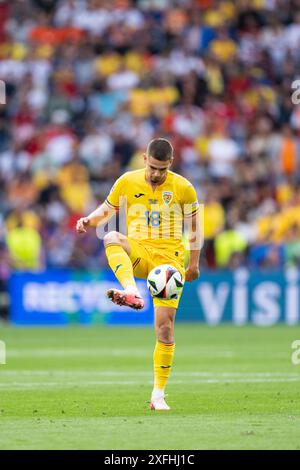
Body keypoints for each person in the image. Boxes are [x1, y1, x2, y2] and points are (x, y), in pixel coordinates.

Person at [76, 138, 201, 410]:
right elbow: (106, 210)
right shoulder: (127, 182)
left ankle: (158, 394)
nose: (156, 174)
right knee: (111, 236)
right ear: (145, 159)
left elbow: (194, 228)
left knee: (165, 329)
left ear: (171, 163)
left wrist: (193, 265)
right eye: (153, 167)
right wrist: (89, 220)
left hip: (170, 261)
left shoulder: (184, 188)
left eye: (162, 169)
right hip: (141, 251)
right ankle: (131, 290)